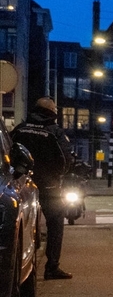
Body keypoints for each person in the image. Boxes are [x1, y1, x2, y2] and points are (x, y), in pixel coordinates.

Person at [11, 97, 74, 279]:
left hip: (21, 185)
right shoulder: (55, 132)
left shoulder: (20, 130)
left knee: (20, 224)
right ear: (52, 112)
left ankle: (21, 263)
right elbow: (65, 159)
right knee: (55, 223)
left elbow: (10, 154)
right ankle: (51, 267)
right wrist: (57, 176)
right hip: (49, 186)